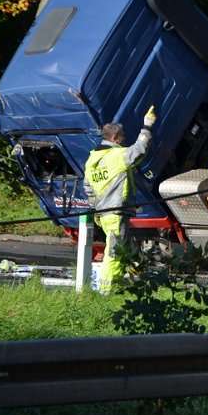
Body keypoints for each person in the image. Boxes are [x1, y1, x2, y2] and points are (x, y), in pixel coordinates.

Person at [84, 106, 157, 290]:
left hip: (105, 213)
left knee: (119, 248)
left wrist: (96, 211)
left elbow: (88, 188)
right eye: (122, 138)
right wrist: (147, 125)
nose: (123, 141)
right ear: (115, 139)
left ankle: (120, 285)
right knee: (114, 253)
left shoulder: (92, 160)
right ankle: (107, 290)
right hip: (116, 211)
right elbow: (140, 149)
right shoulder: (116, 156)